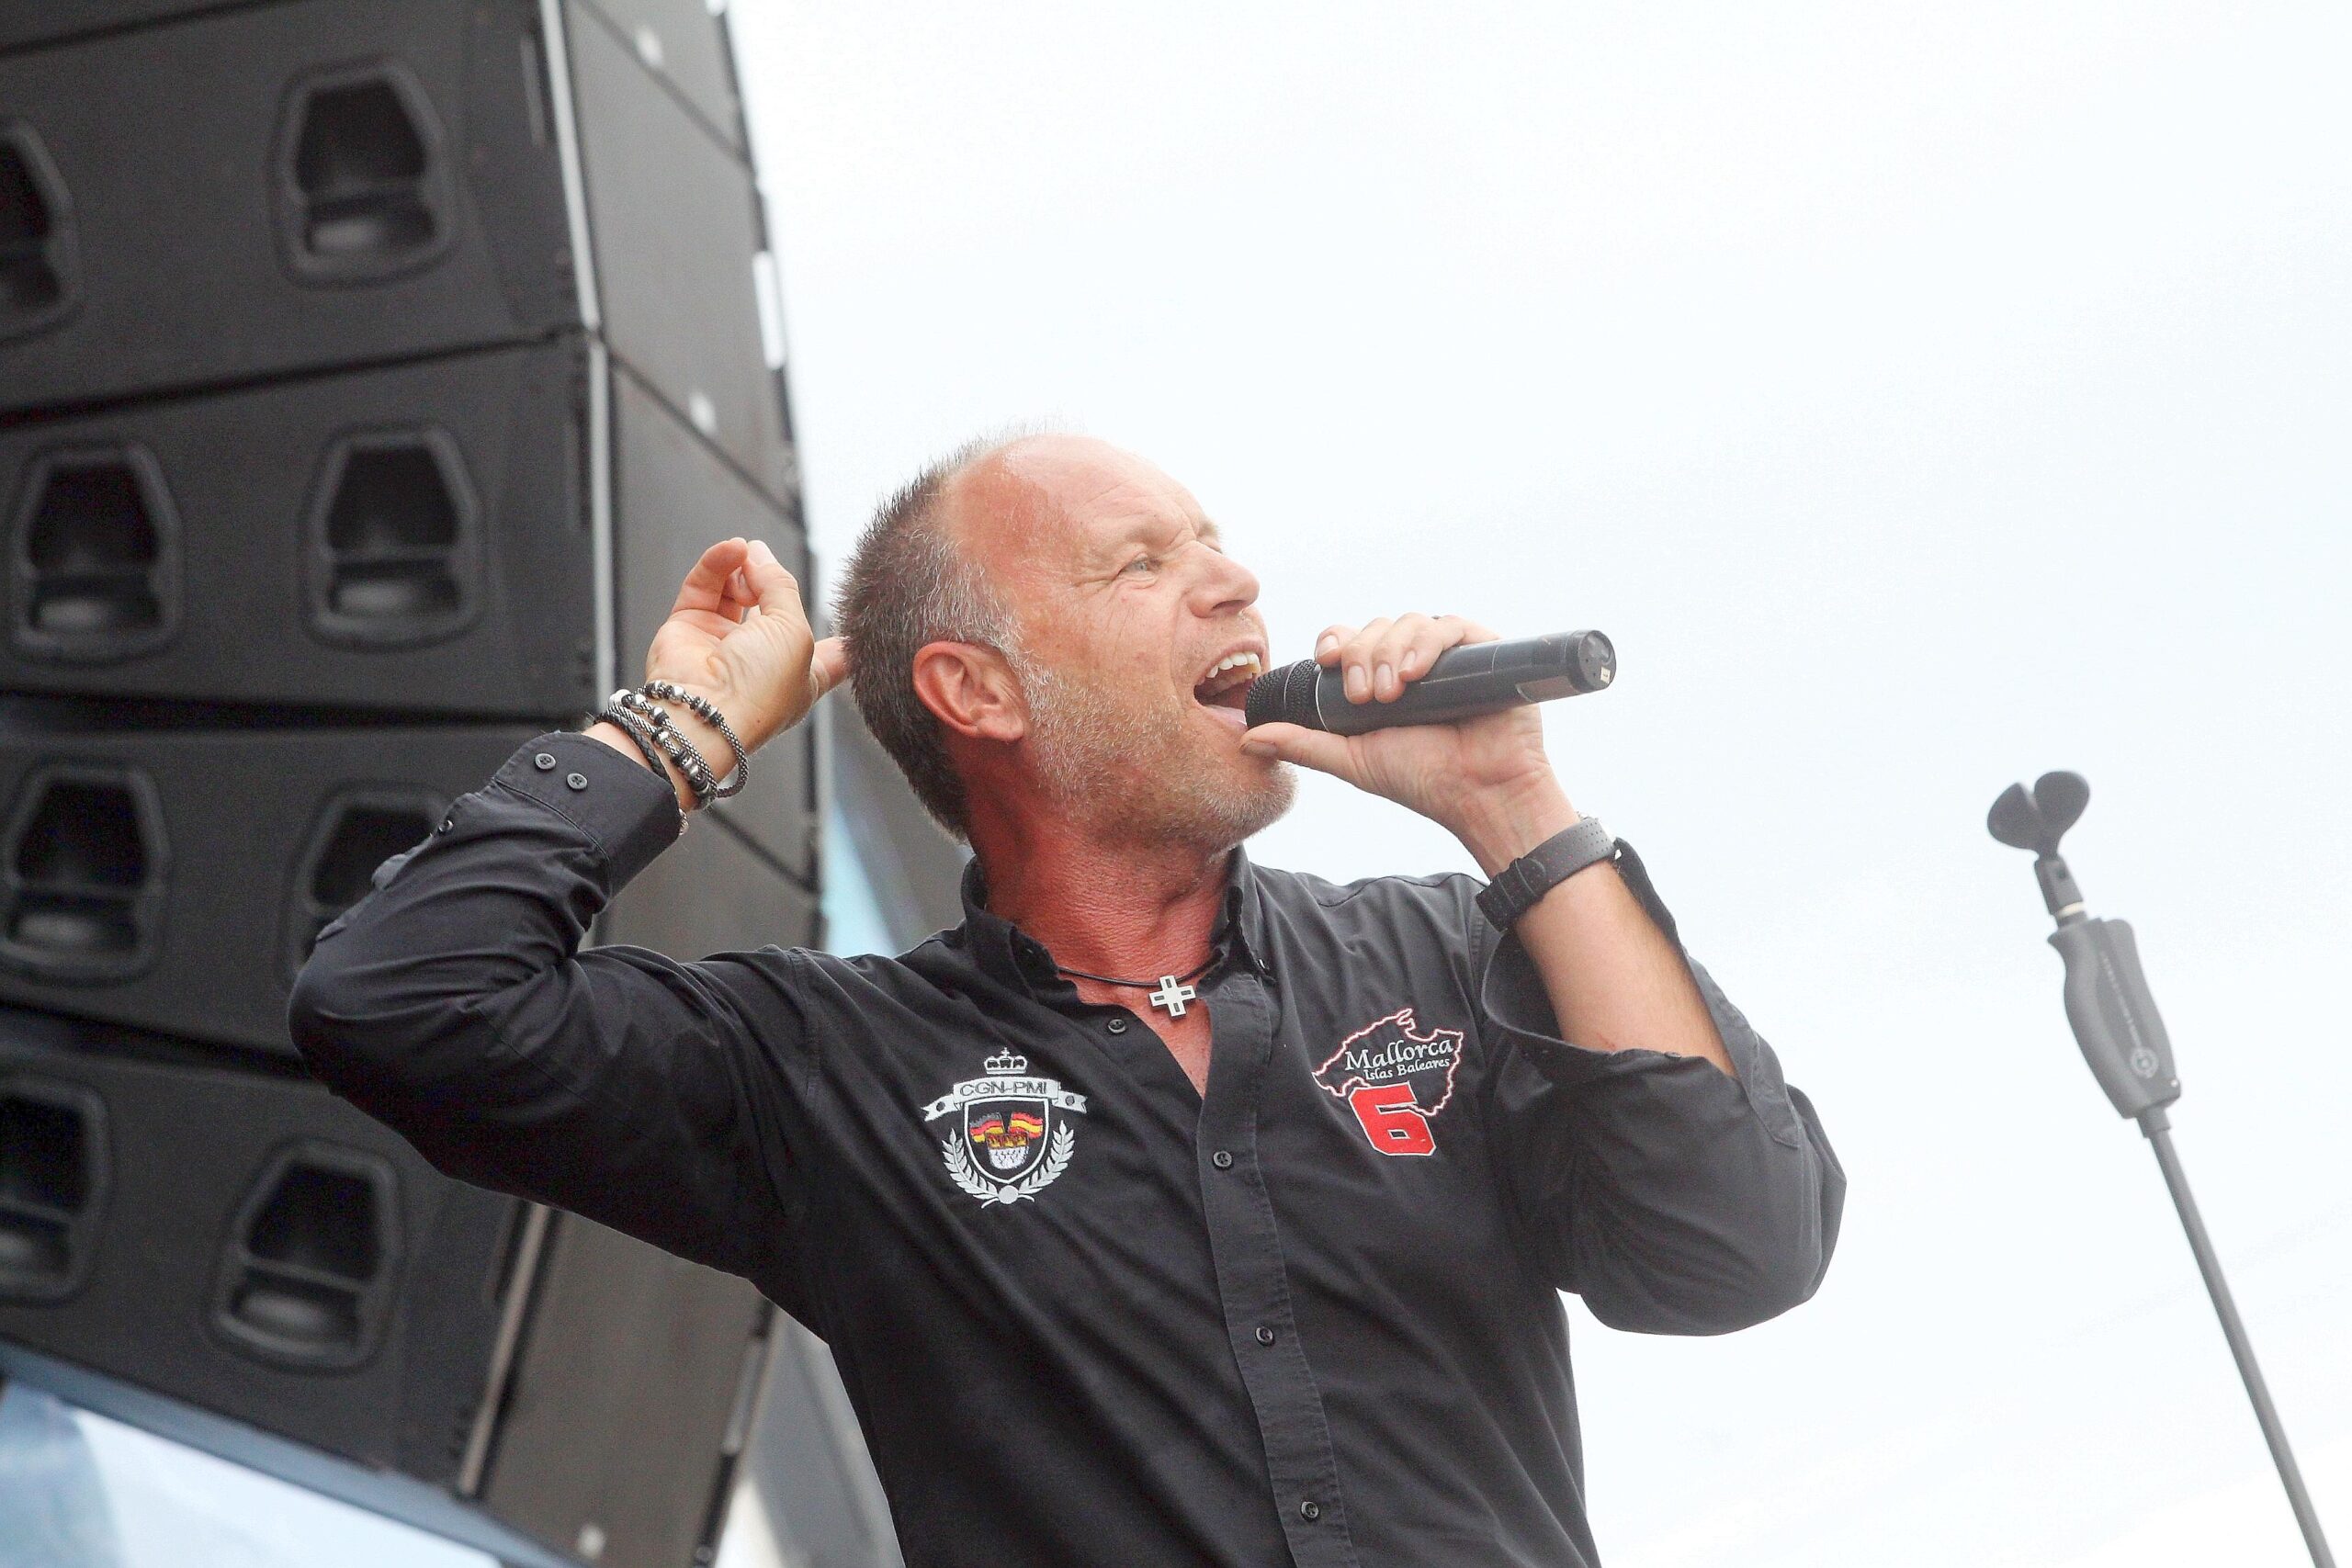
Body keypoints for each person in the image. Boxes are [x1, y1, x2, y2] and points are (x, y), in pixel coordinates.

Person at [289, 434, 1844, 1568]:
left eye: (1216, 541)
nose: (1234, 582)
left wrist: (1516, 808)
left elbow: (1738, 1249)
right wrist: (686, 723)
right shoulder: (826, 1072)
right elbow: (402, 1004)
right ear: (981, 691)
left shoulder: (1448, 949)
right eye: (1143, 565)